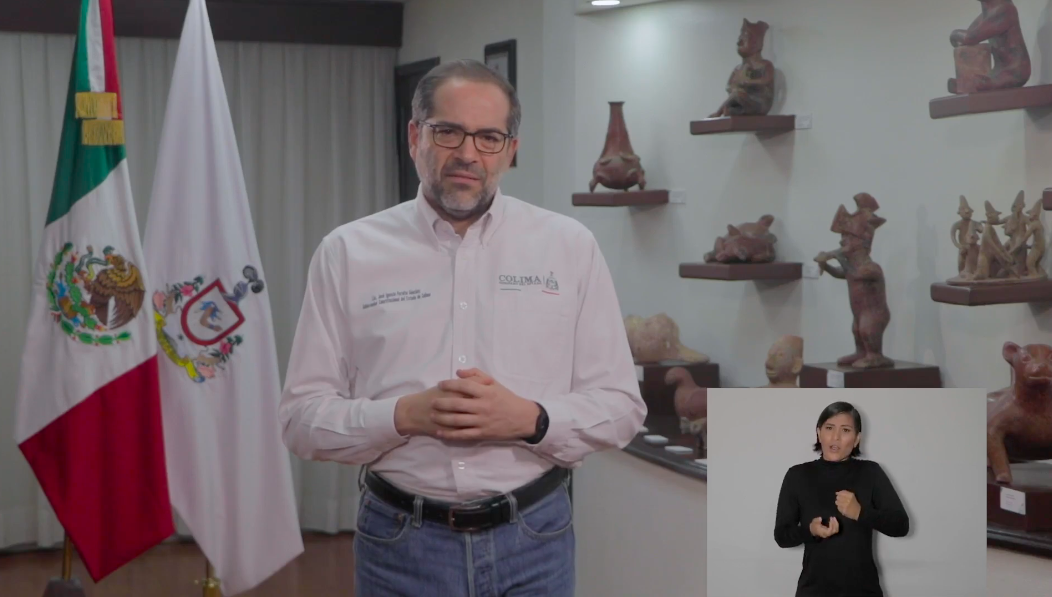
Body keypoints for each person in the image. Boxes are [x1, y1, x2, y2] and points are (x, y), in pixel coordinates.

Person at [278, 58, 646, 597]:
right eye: (448, 131)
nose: (468, 154)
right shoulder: (348, 252)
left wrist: (532, 420)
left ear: (511, 150)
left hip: (535, 540)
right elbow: (301, 419)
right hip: (399, 544)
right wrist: (403, 416)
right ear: (415, 137)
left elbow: (621, 407)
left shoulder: (569, 247)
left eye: (489, 137)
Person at [773, 401, 909, 597]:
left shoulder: (871, 472)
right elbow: (782, 536)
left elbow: (901, 525)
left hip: (863, 591)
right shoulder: (797, 475)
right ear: (819, 433)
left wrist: (860, 513)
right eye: (829, 428)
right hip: (813, 591)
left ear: (856, 439)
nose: (835, 437)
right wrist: (810, 530)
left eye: (845, 430)